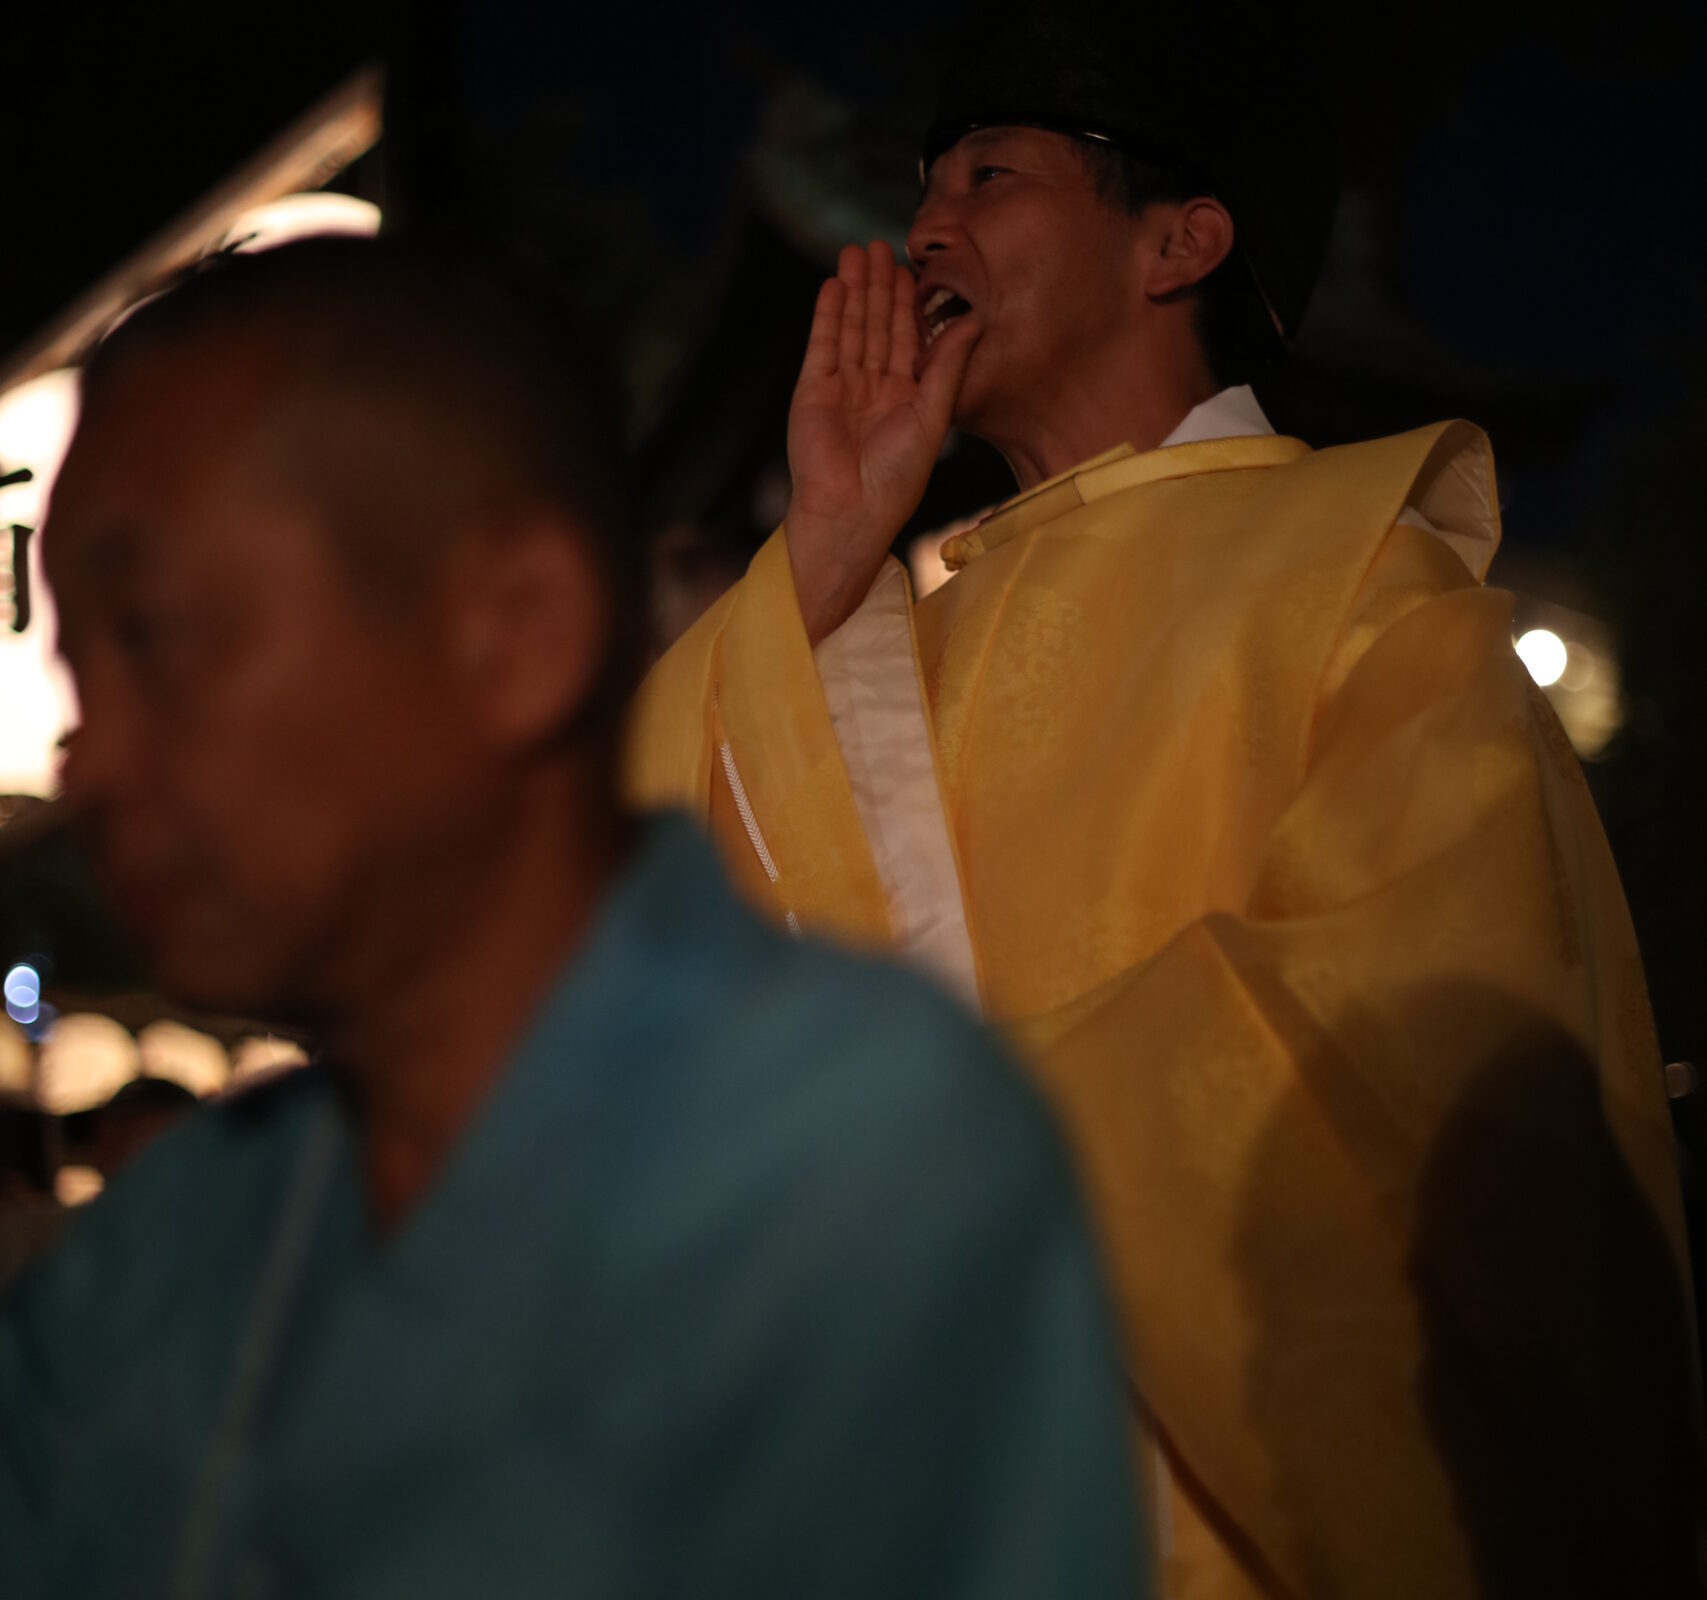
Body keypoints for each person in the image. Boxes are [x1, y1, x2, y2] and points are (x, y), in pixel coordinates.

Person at [628, 2, 1705, 1594]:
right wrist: (828, 551)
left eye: (990, 175)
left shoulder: (1365, 581)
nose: (925, 225)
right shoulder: (870, 624)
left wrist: (963, 1141)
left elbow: (1437, 1070)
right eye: (925, 181)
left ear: (1179, 240)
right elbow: (605, 926)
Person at [0, 238, 1146, 1599]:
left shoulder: (847, 1163)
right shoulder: (179, 1236)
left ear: (516, 631)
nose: (91, 764)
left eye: (161, 639)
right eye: (76, 674)